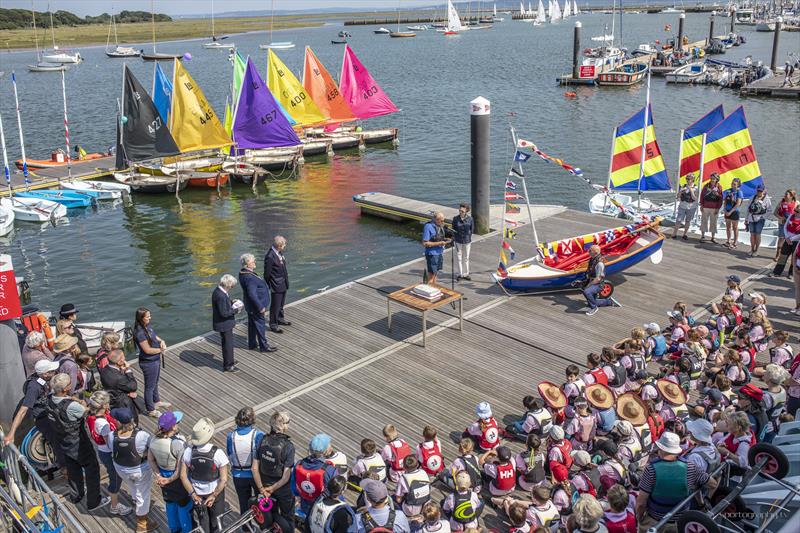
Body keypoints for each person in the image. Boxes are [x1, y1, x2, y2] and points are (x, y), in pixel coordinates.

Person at [44, 373, 109, 511]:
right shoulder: (72, 406)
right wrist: (82, 403)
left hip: (63, 440)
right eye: (69, 383)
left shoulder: (49, 399)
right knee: (92, 469)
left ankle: (76, 495)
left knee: (73, 469)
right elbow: (87, 411)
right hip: (78, 442)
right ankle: (94, 502)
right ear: (66, 388)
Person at [635, 431, 710, 532]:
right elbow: (711, 483)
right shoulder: (690, 466)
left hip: (655, 523)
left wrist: (639, 519)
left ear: (661, 448)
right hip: (680, 523)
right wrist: (701, 503)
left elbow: (641, 503)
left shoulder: (651, 469)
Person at [107, 407, 157, 532]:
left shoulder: (111, 436)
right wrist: (144, 453)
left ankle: (136, 501)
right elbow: (153, 448)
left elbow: (111, 449)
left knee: (133, 486)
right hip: (140, 469)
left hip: (121, 469)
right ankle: (142, 524)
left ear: (118, 422)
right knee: (143, 495)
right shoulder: (142, 435)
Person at [85, 391, 132, 516]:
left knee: (117, 476)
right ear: (105, 405)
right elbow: (109, 443)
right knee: (115, 479)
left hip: (102, 451)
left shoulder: (91, 417)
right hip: (109, 454)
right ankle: (114, 506)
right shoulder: (103, 424)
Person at [180, 417, 230, 533]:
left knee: (203, 523)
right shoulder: (218, 453)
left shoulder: (188, 452)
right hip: (215, 494)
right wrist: (214, 495)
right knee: (217, 523)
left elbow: (183, 476)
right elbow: (223, 480)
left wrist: (193, 494)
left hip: (197, 494)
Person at [148, 411, 193, 533]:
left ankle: (174, 529)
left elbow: (151, 460)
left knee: (170, 503)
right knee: (184, 506)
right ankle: (186, 530)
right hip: (176, 478)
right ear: (173, 426)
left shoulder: (153, 440)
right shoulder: (178, 443)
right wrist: (169, 479)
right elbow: (180, 469)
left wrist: (159, 475)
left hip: (163, 473)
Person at [3, 359, 59, 449]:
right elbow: (22, 411)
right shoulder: (34, 388)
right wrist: (11, 434)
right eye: (52, 371)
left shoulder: (39, 377)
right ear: (45, 374)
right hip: (37, 416)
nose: (55, 372)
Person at [252, 411, 296, 524]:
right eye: (288, 422)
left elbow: (254, 468)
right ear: (282, 426)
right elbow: (286, 476)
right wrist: (273, 488)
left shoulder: (262, 440)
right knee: (287, 517)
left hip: (263, 484)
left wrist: (262, 489)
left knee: (269, 516)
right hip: (281, 488)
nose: (289, 424)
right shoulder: (288, 446)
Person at [227, 406, 264, 514]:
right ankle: (263, 526)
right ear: (252, 420)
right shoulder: (258, 435)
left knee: (243, 504)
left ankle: (246, 528)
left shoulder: (231, 436)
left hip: (238, 476)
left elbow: (230, 453)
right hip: (255, 476)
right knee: (261, 503)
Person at [133, 307, 170, 416]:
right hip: (148, 362)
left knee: (155, 382)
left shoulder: (147, 326)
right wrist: (161, 350)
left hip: (155, 359)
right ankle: (150, 409)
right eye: (148, 316)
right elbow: (147, 350)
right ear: (141, 318)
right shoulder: (139, 332)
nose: (150, 317)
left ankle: (156, 401)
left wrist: (161, 341)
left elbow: (154, 336)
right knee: (149, 386)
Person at [239, 253, 277, 353]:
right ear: (247, 264)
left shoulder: (243, 273)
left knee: (252, 325)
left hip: (250, 306)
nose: (255, 262)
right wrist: (260, 307)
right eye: (253, 261)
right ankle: (264, 346)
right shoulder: (249, 278)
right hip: (256, 307)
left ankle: (252, 344)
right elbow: (252, 294)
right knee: (260, 325)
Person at [100, 349, 146, 422]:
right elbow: (133, 386)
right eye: (123, 357)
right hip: (123, 403)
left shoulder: (104, 370)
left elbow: (116, 385)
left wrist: (121, 371)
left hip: (112, 400)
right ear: (120, 362)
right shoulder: (119, 378)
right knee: (131, 420)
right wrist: (128, 370)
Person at [212, 273, 242, 372]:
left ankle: (230, 360)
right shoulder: (221, 295)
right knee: (228, 345)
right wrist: (236, 310)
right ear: (228, 285)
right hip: (224, 324)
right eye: (232, 286)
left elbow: (223, 306)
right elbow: (224, 313)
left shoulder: (219, 291)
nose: (232, 288)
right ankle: (228, 365)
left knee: (227, 343)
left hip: (224, 323)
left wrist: (231, 302)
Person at [264, 235, 291, 334]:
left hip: (283, 282)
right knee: (275, 305)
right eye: (284, 245)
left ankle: (280, 318)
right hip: (276, 284)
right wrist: (271, 284)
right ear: (279, 245)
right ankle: (273, 324)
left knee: (281, 303)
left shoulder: (279, 253)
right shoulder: (270, 256)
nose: (285, 246)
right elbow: (267, 274)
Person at [422, 212, 451, 286]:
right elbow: (425, 243)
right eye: (441, 221)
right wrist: (440, 243)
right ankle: (429, 289)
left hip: (439, 252)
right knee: (431, 275)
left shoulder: (440, 226)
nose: (443, 222)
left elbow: (438, 237)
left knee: (435, 273)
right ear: (435, 219)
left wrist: (445, 239)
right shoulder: (428, 226)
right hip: (432, 254)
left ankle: (434, 287)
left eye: (443, 220)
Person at [745, 185, 771, 256]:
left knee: (758, 234)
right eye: (758, 190)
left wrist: (763, 217)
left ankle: (756, 250)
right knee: (752, 234)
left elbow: (769, 210)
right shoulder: (752, 198)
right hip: (751, 219)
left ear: (763, 191)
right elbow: (748, 209)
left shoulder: (766, 199)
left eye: (760, 191)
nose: (759, 192)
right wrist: (746, 219)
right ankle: (752, 249)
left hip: (760, 220)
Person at [699, 173, 723, 243]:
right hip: (706, 207)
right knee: (704, 221)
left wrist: (718, 208)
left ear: (717, 179)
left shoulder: (719, 187)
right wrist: (701, 205)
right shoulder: (706, 186)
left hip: (714, 208)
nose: (712, 180)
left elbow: (721, 198)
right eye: (711, 178)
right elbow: (702, 195)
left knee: (713, 222)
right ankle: (703, 236)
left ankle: (713, 237)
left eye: (714, 178)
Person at [452, 203, 474, 281]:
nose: (460, 212)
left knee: (466, 258)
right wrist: (455, 237)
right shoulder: (455, 219)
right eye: (459, 210)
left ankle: (466, 274)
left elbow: (472, 230)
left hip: (467, 241)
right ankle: (459, 274)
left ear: (466, 211)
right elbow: (453, 229)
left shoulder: (470, 219)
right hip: (458, 241)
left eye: (462, 211)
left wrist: (468, 236)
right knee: (459, 257)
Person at [672, 174, 697, 241]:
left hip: (691, 207)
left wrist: (691, 191)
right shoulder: (683, 186)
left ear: (693, 179)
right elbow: (677, 196)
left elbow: (695, 198)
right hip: (682, 206)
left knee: (688, 221)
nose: (688, 180)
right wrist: (680, 191)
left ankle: (684, 234)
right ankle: (674, 233)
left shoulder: (696, 188)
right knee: (678, 220)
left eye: (689, 179)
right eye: (687, 179)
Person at [773, 189, 797, 259]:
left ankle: (788, 256)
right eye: (785, 194)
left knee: (790, 240)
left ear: (791, 196)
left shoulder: (796, 203)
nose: (785, 196)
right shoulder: (781, 202)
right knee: (781, 239)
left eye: (787, 194)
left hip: (792, 225)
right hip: (782, 223)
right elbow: (775, 213)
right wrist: (781, 217)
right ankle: (777, 255)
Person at [722, 178, 744, 248]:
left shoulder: (739, 192)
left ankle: (735, 242)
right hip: (727, 211)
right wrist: (725, 210)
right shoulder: (729, 191)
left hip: (734, 212)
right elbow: (725, 201)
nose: (733, 185)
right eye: (732, 183)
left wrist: (730, 212)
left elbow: (738, 204)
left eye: (734, 184)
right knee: (728, 227)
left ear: (738, 185)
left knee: (735, 227)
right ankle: (728, 241)